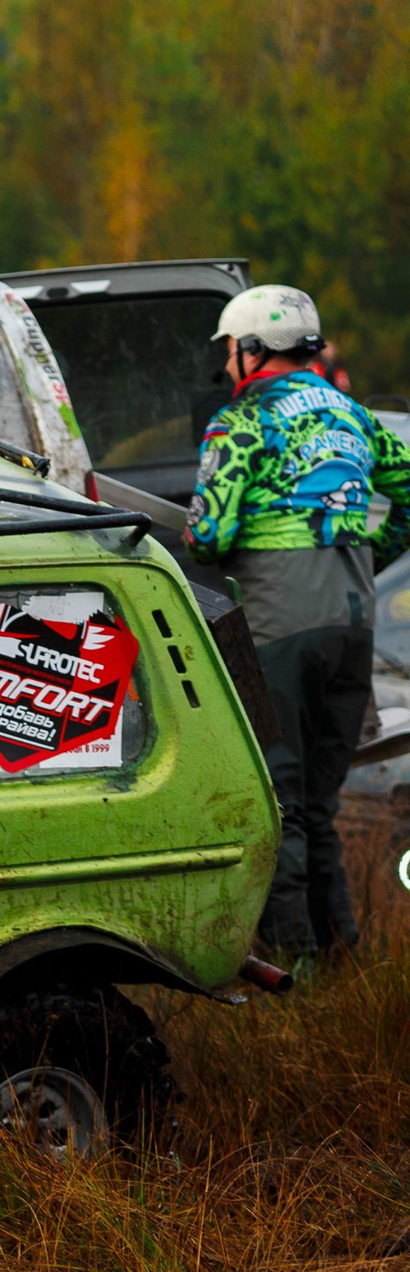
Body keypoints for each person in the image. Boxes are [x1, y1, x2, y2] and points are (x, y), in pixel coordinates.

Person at [186, 284, 410, 960]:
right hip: (352, 622)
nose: (227, 366)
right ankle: (342, 954)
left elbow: (208, 534)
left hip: (282, 625)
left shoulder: (241, 420)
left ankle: (293, 967)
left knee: (278, 800)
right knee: (319, 805)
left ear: (253, 350)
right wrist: (367, 560)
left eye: (230, 351)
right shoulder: (354, 412)